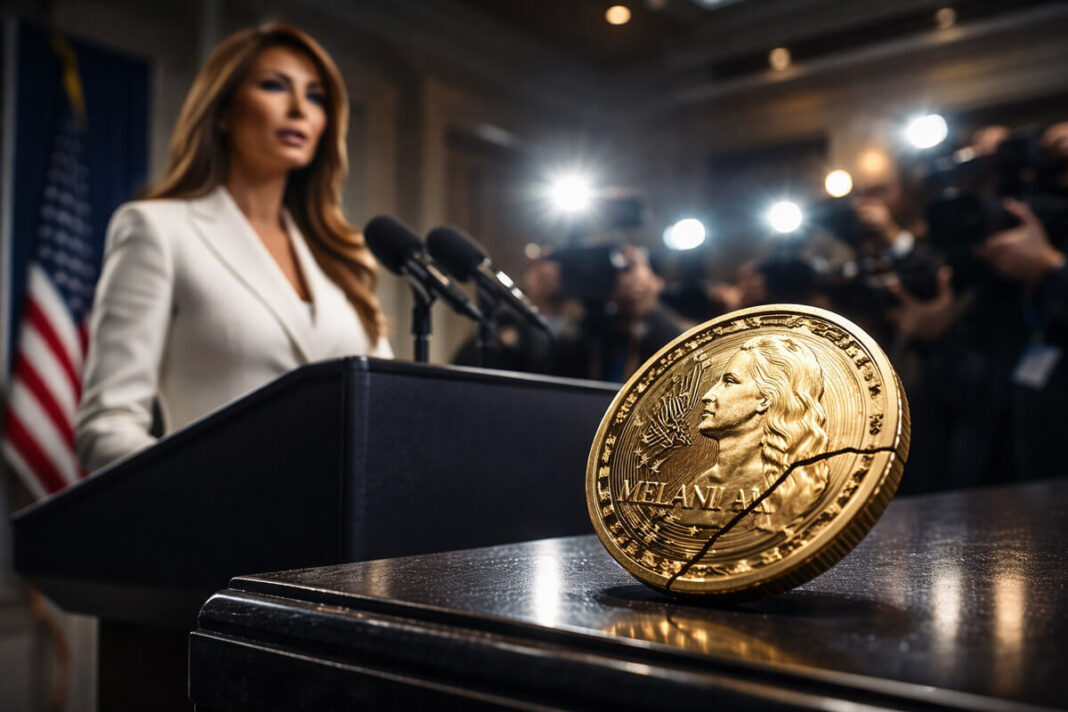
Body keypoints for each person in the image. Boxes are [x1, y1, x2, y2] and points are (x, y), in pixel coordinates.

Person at [76, 24, 391, 473]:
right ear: (223, 112)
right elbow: (107, 428)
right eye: (274, 86)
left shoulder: (340, 255)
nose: (300, 109)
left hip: (351, 534)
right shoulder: (157, 229)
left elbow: (388, 410)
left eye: (316, 96)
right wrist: (213, 494)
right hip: (220, 528)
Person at [693, 334, 829, 532]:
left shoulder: (793, 490)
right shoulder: (698, 486)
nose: (708, 395)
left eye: (729, 381)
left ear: (765, 398)